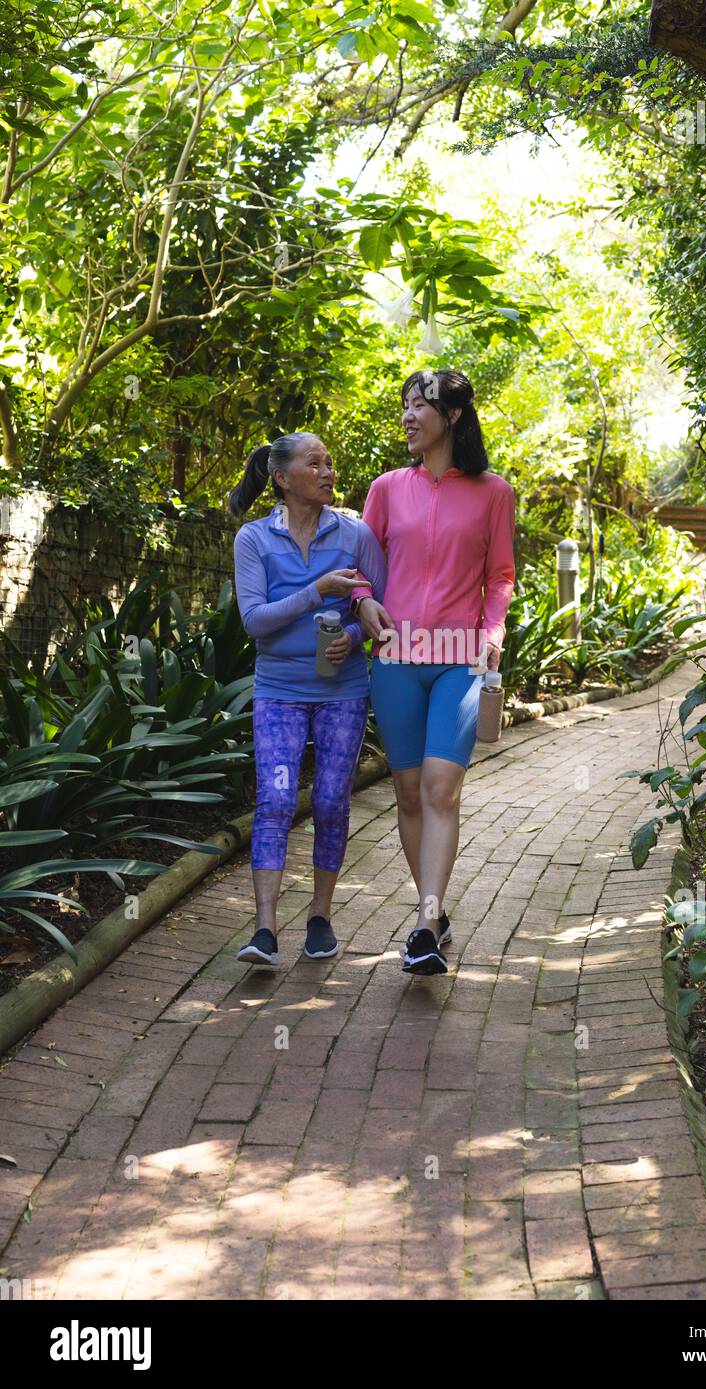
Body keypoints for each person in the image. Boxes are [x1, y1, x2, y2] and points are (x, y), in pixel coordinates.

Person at [351, 369, 515, 976]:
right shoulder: (387, 488)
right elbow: (362, 567)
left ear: (451, 416)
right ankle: (434, 912)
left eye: (419, 405)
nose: (407, 416)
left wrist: (492, 631)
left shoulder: (493, 491)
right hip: (395, 659)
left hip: (458, 659)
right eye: (404, 406)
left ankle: (424, 923)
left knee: (442, 788)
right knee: (407, 792)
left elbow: (500, 575)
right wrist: (363, 601)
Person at [229, 433, 386, 965]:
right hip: (279, 692)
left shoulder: (356, 533)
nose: (328, 472)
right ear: (281, 478)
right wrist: (317, 591)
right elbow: (254, 621)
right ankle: (265, 930)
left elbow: (379, 604)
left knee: (330, 803)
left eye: (330, 463)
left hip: (342, 692)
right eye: (314, 463)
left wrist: (357, 636)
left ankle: (320, 916)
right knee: (274, 802)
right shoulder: (254, 539)